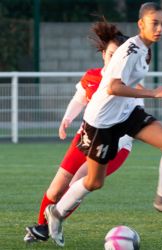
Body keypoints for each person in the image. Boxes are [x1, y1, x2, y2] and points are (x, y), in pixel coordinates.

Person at [44, 2, 162, 247]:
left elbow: (126, 85)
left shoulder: (145, 49)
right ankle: (57, 213)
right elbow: (113, 87)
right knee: (94, 182)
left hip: (126, 113)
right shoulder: (131, 50)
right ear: (141, 24)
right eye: (154, 23)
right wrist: (153, 93)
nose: (159, 29)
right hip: (101, 122)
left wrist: (144, 95)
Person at [24, 20, 134, 243]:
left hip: (115, 145)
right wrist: (66, 118)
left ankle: (54, 223)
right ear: (103, 53)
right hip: (84, 138)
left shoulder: (128, 83)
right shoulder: (92, 76)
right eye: (112, 54)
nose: (115, 60)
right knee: (55, 191)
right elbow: (80, 99)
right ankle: (41, 228)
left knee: (77, 183)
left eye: (121, 56)